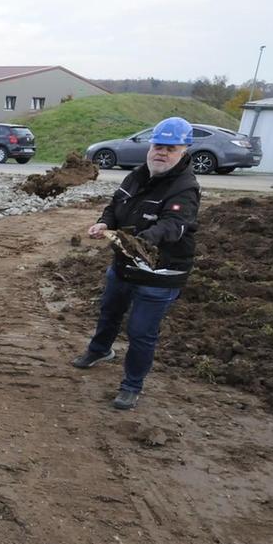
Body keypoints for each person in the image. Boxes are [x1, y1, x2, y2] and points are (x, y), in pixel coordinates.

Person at [71, 117, 200, 410]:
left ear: (184, 150)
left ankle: (132, 385)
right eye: (157, 145)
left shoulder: (185, 188)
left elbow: (174, 225)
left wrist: (141, 240)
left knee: (141, 331)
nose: (161, 153)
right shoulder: (137, 176)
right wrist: (103, 223)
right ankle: (100, 350)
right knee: (109, 312)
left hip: (159, 273)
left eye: (170, 148)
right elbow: (115, 206)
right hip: (125, 267)